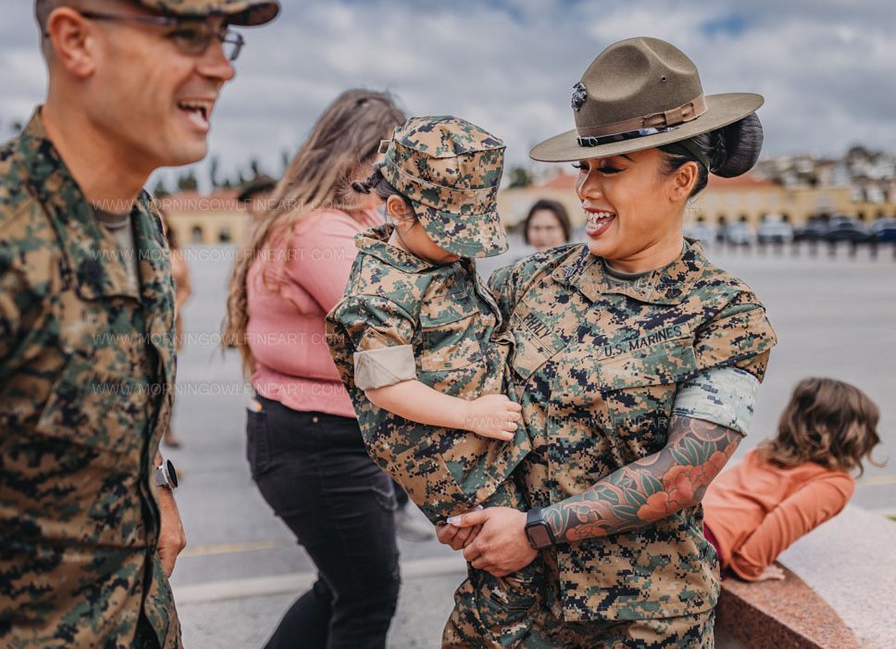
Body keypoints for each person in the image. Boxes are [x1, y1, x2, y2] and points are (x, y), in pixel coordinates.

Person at [0, 0, 278, 647]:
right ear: (76, 40)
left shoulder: (142, 223)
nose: (222, 65)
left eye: (226, 37)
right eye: (188, 34)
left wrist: (156, 482)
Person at [440, 36, 778, 647]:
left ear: (682, 181)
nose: (586, 190)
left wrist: (534, 531)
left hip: (639, 622)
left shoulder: (724, 314)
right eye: (585, 166)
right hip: (507, 614)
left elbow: (682, 474)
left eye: (612, 169)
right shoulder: (528, 279)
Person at [326, 115, 547, 647]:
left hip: (481, 439)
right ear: (398, 210)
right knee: (511, 576)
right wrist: (472, 414)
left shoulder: (430, 253)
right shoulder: (383, 285)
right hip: (448, 456)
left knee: (528, 560)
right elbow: (384, 386)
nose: (465, 248)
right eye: (454, 234)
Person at [223, 89, 406, 649]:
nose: (394, 172)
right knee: (368, 596)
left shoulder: (340, 218)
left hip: (315, 433)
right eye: (386, 156)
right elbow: (396, 327)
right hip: (320, 440)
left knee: (341, 589)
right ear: (350, 154)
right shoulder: (321, 231)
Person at [704, 377, 882, 582]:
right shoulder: (835, 483)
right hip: (707, 544)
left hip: (686, 523)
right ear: (856, 435)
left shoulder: (765, 453)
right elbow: (778, 525)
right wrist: (750, 566)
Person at [162, 214, 193, 448]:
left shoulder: (176, 255)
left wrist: (175, 307)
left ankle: (168, 428)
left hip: (171, 324)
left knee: (168, 379)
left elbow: (187, 288)